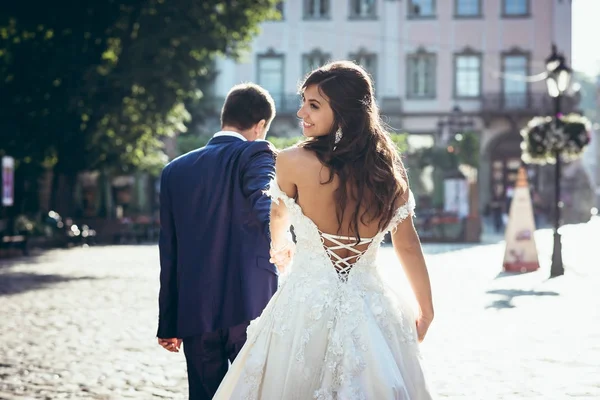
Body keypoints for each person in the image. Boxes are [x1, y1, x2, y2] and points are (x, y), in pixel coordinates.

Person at [213, 61, 434, 399]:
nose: (301, 111)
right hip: (372, 307)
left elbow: (277, 214)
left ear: (343, 111)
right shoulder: (389, 175)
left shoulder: (289, 161)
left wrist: (281, 245)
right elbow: (406, 245)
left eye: (314, 105)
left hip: (304, 302)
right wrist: (426, 308)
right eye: (303, 100)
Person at [156, 83, 289, 400]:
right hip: (251, 303)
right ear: (259, 126)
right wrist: (284, 241)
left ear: (224, 117)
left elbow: (169, 253)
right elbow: (265, 203)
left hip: (195, 311)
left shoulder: (174, 170)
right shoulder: (257, 152)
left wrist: (168, 322)